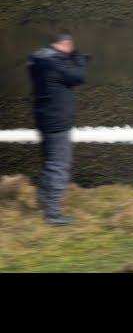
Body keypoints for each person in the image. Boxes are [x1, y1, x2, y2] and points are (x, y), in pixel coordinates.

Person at [28, 32, 88, 225]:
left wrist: (66, 57)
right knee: (59, 167)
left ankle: (43, 202)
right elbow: (78, 77)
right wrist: (78, 59)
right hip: (57, 122)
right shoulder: (54, 63)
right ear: (66, 44)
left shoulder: (39, 60)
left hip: (45, 119)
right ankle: (53, 214)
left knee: (50, 163)